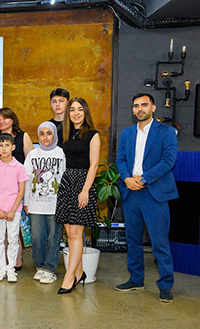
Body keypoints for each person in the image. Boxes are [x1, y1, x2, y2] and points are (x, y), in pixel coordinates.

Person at [115, 93, 178, 303]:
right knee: (133, 240)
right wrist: (126, 179)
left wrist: (143, 178)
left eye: (144, 105)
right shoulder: (127, 133)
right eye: (136, 106)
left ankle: (166, 285)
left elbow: (168, 160)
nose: (139, 109)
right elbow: (120, 159)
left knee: (159, 242)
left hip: (154, 193)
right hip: (131, 191)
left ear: (153, 107)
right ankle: (136, 279)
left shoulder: (166, 132)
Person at [54, 97, 100, 294]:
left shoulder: (93, 134)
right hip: (67, 182)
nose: (76, 113)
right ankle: (79, 272)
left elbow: (94, 165)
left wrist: (85, 190)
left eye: (80, 109)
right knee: (69, 232)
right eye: (72, 109)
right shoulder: (64, 132)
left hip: (83, 183)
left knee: (75, 233)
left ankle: (69, 277)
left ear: (85, 112)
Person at [0, 107, 34, 270]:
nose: (1, 121)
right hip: (1, 191)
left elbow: (32, 161)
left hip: (20, 188)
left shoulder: (23, 136)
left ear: (13, 119)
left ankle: (16, 260)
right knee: (2, 229)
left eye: (5, 118)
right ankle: (4, 262)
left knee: (17, 228)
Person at [23, 122, 66, 284]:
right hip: (35, 204)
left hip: (55, 205)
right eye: (42, 134)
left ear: (54, 135)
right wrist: (26, 202)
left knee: (54, 237)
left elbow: (65, 178)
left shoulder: (61, 153)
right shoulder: (32, 155)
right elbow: (27, 180)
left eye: (49, 133)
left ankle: (50, 268)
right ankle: (40, 266)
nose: (45, 137)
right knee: (37, 238)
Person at [0, 133, 29, 282]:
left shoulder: (19, 167)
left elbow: (21, 190)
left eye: (7, 145)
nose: (4, 148)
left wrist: (13, 210)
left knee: (13, 239)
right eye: (1, 145)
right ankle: (1, 268)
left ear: (13, 147)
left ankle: (11, 269)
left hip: (14, 209)